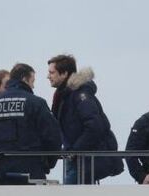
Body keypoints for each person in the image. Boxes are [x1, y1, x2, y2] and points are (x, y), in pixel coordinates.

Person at [47, 54, 123, 184]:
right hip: (78, 159)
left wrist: (75, 151)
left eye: (52, 72)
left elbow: (94, 126)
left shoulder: (79, 95)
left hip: (84, 160)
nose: (48, 76)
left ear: (64, 73)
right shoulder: (65, 96)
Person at [0, 63, 62, 184]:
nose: (33, 86)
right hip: (32, 171)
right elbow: (53, 137)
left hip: (0, 172)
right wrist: (47, 163)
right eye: (32, 81)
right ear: (25, 79)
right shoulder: (36, 103)